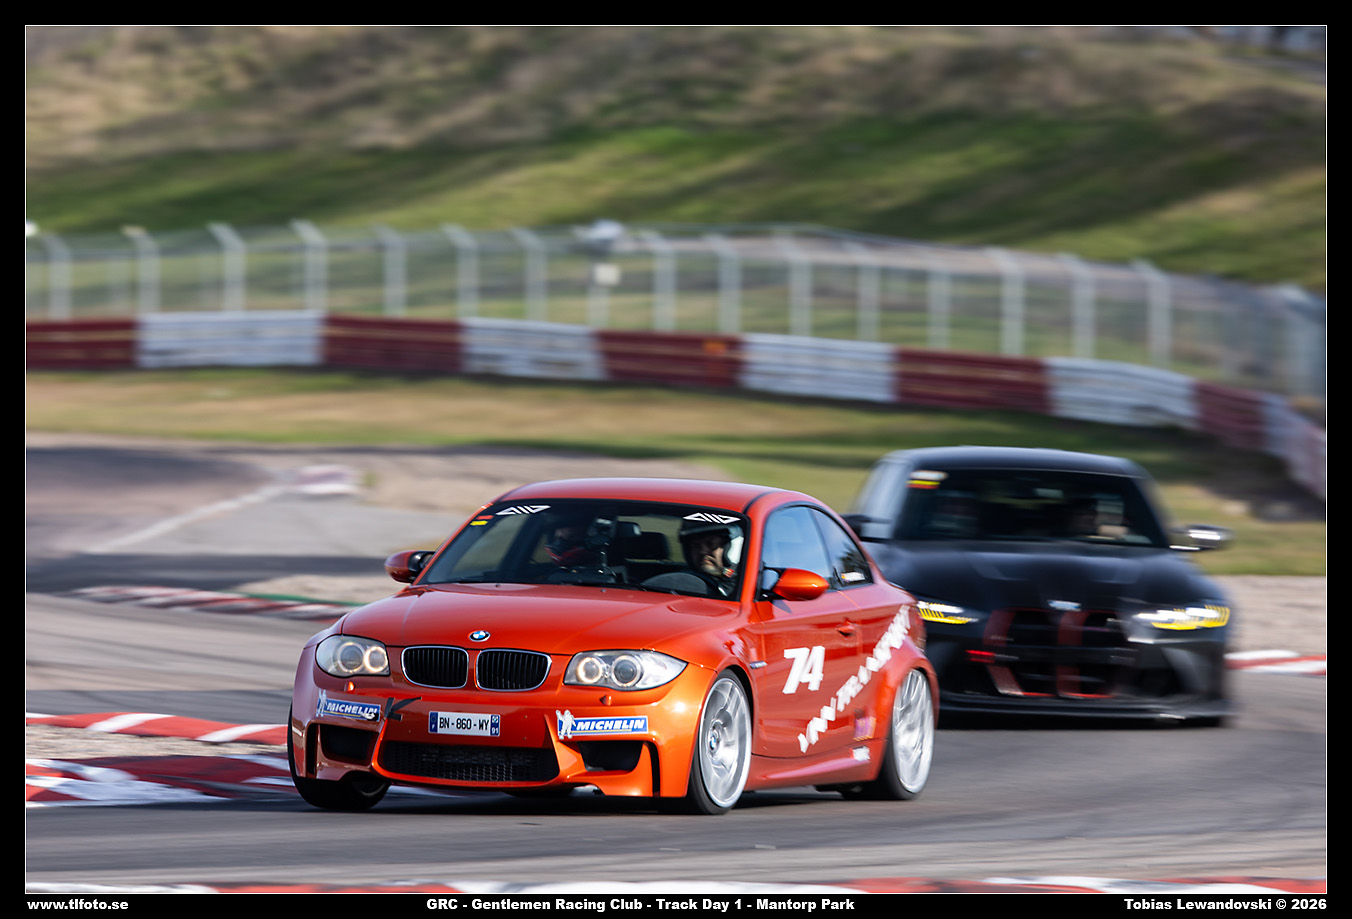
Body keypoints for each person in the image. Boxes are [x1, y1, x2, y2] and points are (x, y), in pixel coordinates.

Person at [677, 519, 739, 588]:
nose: (703, 551)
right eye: (695, 545)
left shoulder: (743, 581)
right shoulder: (680, 583)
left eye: (711, 544)